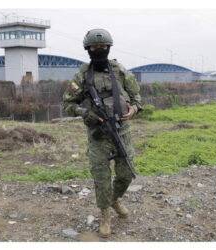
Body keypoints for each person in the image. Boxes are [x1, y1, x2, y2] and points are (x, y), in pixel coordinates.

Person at [62, 28, 143, 237]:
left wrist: (133, 109)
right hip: (98, 134)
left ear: (109, 48)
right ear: (88, 49)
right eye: (95, 47)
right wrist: (83, 112)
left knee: (126, 174)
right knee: (102, 177)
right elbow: (67, 104)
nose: (99, 50)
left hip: (122, 131)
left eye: (103, 47)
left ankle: (114, 199)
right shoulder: (81, 76)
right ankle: (105, 215)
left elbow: (136, 97)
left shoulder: (120, 71)